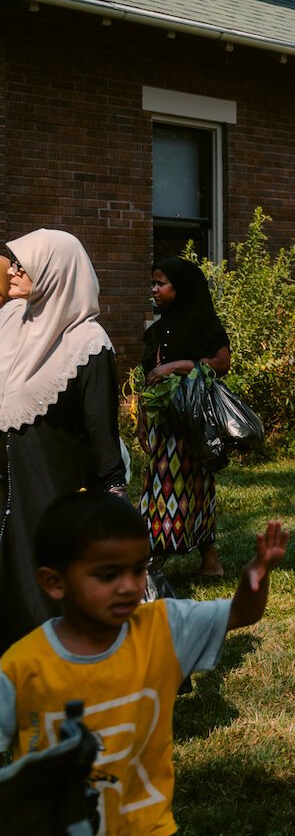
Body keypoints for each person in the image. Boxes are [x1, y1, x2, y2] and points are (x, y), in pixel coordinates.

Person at [0, 490, 286, 836]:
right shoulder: (22, 664)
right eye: (107, 575)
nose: (128, 586)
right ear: (54, 582)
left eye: (138, 570)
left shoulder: (164, 626)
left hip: (150, 828)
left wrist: (256, 576)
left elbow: (241, 613)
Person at [0, 230, 123, 650]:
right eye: (13, 261)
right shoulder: (10, 321)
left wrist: (113, 497)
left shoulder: (87, 344)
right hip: (7, 489)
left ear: (55, 271)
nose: (13, 270)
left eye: (23, 263)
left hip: (52, 495)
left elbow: (102, 435)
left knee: (47, 592)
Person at [139, 257, 232, 578]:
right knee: (170, 485)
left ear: (182, 287)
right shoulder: (158, 329)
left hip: (191, 421)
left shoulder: (202, 323)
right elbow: (147, 378)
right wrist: (142, 420)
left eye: (161, 283)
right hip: (162, 422)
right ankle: (210, 561)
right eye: (153, 283)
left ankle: (155, 560)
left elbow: (221, 363)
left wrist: (174, 366)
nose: (154, 289)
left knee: (178, 487)